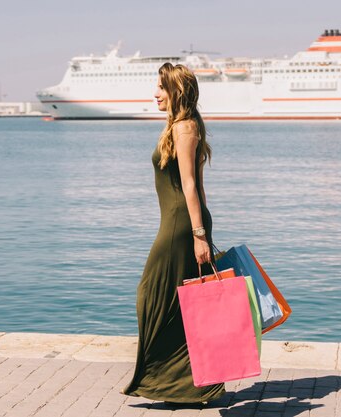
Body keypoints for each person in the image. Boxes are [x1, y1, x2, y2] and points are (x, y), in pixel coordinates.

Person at [121, 63, 225, 405]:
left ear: (176, 91)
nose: (155, 93)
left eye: (160, 88)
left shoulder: (184, 129)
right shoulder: (179, 127)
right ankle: (185, 386)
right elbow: (198, 186)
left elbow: (192, 185)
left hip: (180, 226)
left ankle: (175, 382)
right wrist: (205, 229)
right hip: (183, 223)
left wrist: (199, 234)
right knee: (181, 304)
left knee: (151, 295)